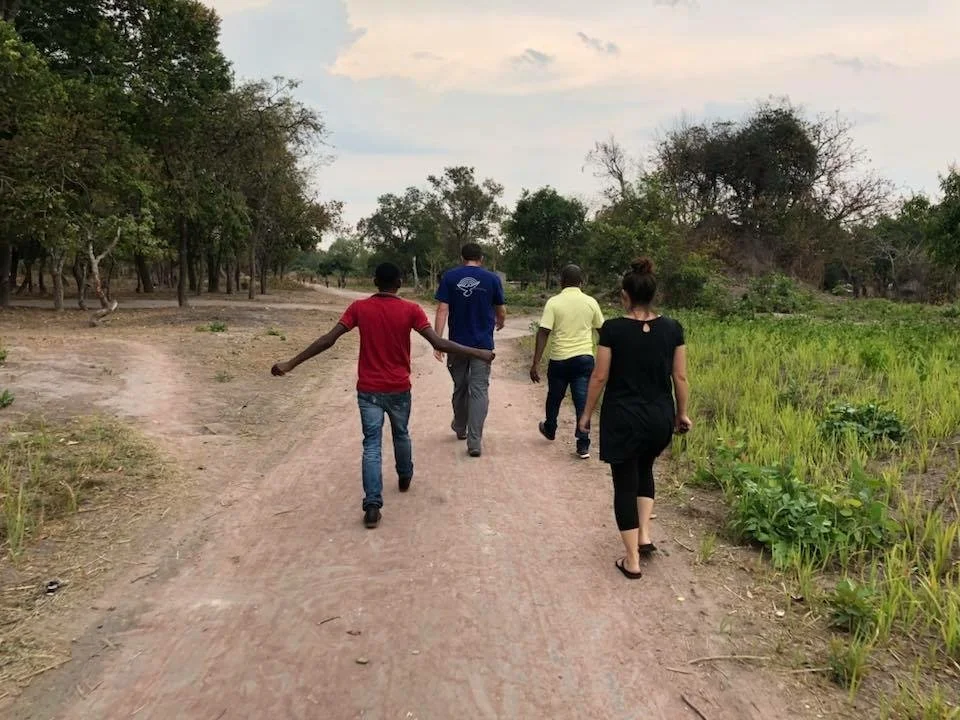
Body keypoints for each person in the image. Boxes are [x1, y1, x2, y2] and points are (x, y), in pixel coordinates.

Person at [271, 262, 495, 529]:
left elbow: (327, 340)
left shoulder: (359, 308)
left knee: (372, 444)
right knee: (401, 433)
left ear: (375, 282)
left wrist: (291, 363)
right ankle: (405, 475)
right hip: (399, 388)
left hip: (368, 390)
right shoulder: (411, 309)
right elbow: (439, 343)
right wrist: (479, 353)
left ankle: (373, 504)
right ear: (399, 283)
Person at [578, 258, 691, 580]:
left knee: (624, 483)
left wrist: (586, 414)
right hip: (659, 418)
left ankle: (631, 561)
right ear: (653, 294)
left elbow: (599, 377)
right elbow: (680, 377)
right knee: (645, 471)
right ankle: (643, 536)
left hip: (623, 418)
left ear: (625, 295)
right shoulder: (673, 328)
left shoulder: (613, 329)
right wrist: (681, 413)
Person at [433, 243, 506, 458]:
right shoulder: (492, 279)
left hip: (456, 344)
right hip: (482, 346)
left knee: (460, 386)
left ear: (462, 257)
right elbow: (500, 309)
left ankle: (460, 426)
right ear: (481, 258)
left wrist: (438, 341)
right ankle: (475, 441)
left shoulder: (450, 277)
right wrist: (500, 321)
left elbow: (442, 309)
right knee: (480, 390)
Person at [530, 264, 605, 459]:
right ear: (582, 282)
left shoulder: (554, 302)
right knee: (582, 402)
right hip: (584, 359)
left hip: (560, 360)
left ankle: (550, 428)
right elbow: (602, 332)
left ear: (561, 282)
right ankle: (583, 444)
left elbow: (543, 332)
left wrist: (535, 363)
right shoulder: (591, 302)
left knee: (554, 397)